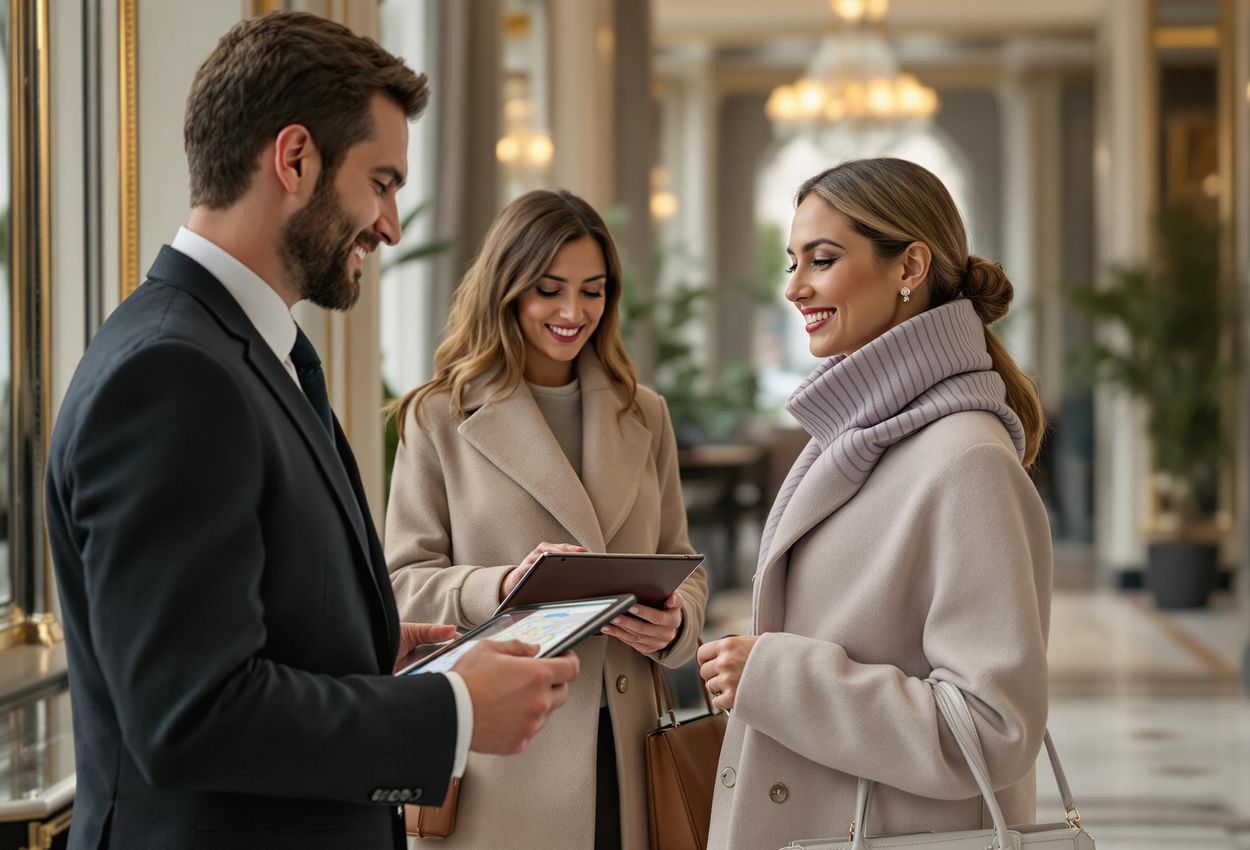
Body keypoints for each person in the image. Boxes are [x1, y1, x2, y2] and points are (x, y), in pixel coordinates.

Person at [43, 13, 578, 850]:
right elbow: (192, 715)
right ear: (294, 159)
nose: (391, 224)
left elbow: (241, 627)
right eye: (382, 182)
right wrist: (453, 708)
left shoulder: (249, 352)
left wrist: (370, 648)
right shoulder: (173, 376)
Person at [698, 158, 1052, 849]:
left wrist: (775, 677)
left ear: (910, 267)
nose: (794, 287)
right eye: (792, 262)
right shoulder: (849, 441)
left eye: (822, 260)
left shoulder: (968, 461)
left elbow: (994, 728)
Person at [385, 188, 709, 850]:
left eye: (593, 291)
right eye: (549, 290)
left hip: (628, 747)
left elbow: (684, 563)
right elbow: (402, 584)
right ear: (507, 289)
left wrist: (676, 623)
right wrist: (500, 587)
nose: (573, 312)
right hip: (504, 757)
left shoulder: (644, 413)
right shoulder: (438, 416)